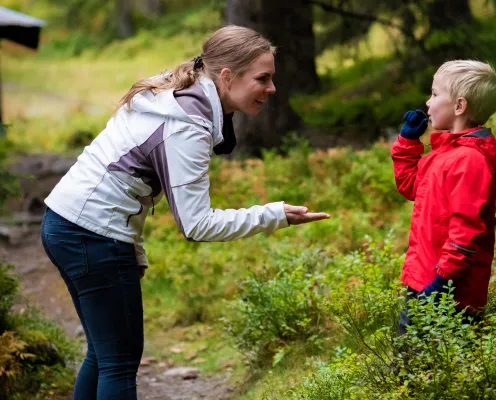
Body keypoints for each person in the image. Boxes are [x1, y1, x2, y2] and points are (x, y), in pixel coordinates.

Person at [40, 25, 330, 399]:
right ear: (227, 77)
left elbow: (118, 188)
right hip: (90, 234)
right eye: (263, 78)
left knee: (104, 355)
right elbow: (197, 225)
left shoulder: (175, 94)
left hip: (66, 222)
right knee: (118, 363)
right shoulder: (186, 125)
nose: (272, 89)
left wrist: (131, 249)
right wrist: (273, 214)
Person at [391, 60, 496, 335]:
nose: (427, 103)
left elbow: (465, 232)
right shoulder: (444, 154)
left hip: (450, 292)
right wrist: (408, 142)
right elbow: (410, 186)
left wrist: (443, 282)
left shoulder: (470, 161)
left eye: (434, 94)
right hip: (425, 280)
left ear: (459, 106)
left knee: (432, 368)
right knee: (412, 366)